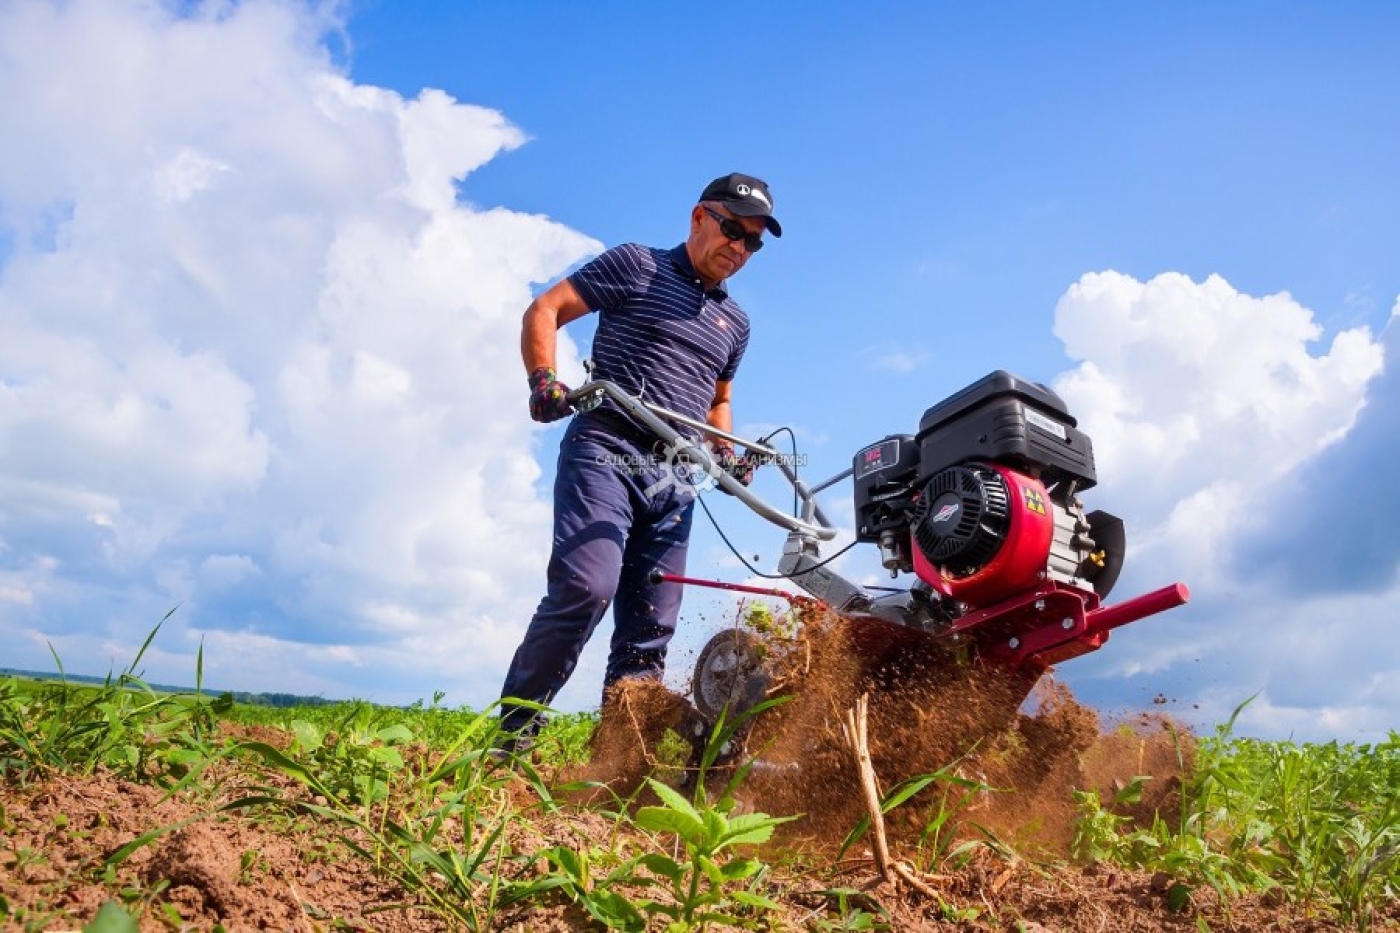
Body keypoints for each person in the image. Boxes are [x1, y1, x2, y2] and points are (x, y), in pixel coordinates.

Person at [497, 172, 781, 751]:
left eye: (753, 242)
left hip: (676, 477)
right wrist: (543, 381)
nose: (740, 248)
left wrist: (725, 452)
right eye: (733, 230)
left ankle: (617, 762)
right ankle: (512, 734)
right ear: (699, 217)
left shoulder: (737, 324)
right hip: (609, 447)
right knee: (585, 585)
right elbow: (547, 308)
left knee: (650, 629)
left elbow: (719, 398)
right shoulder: (638, 265)